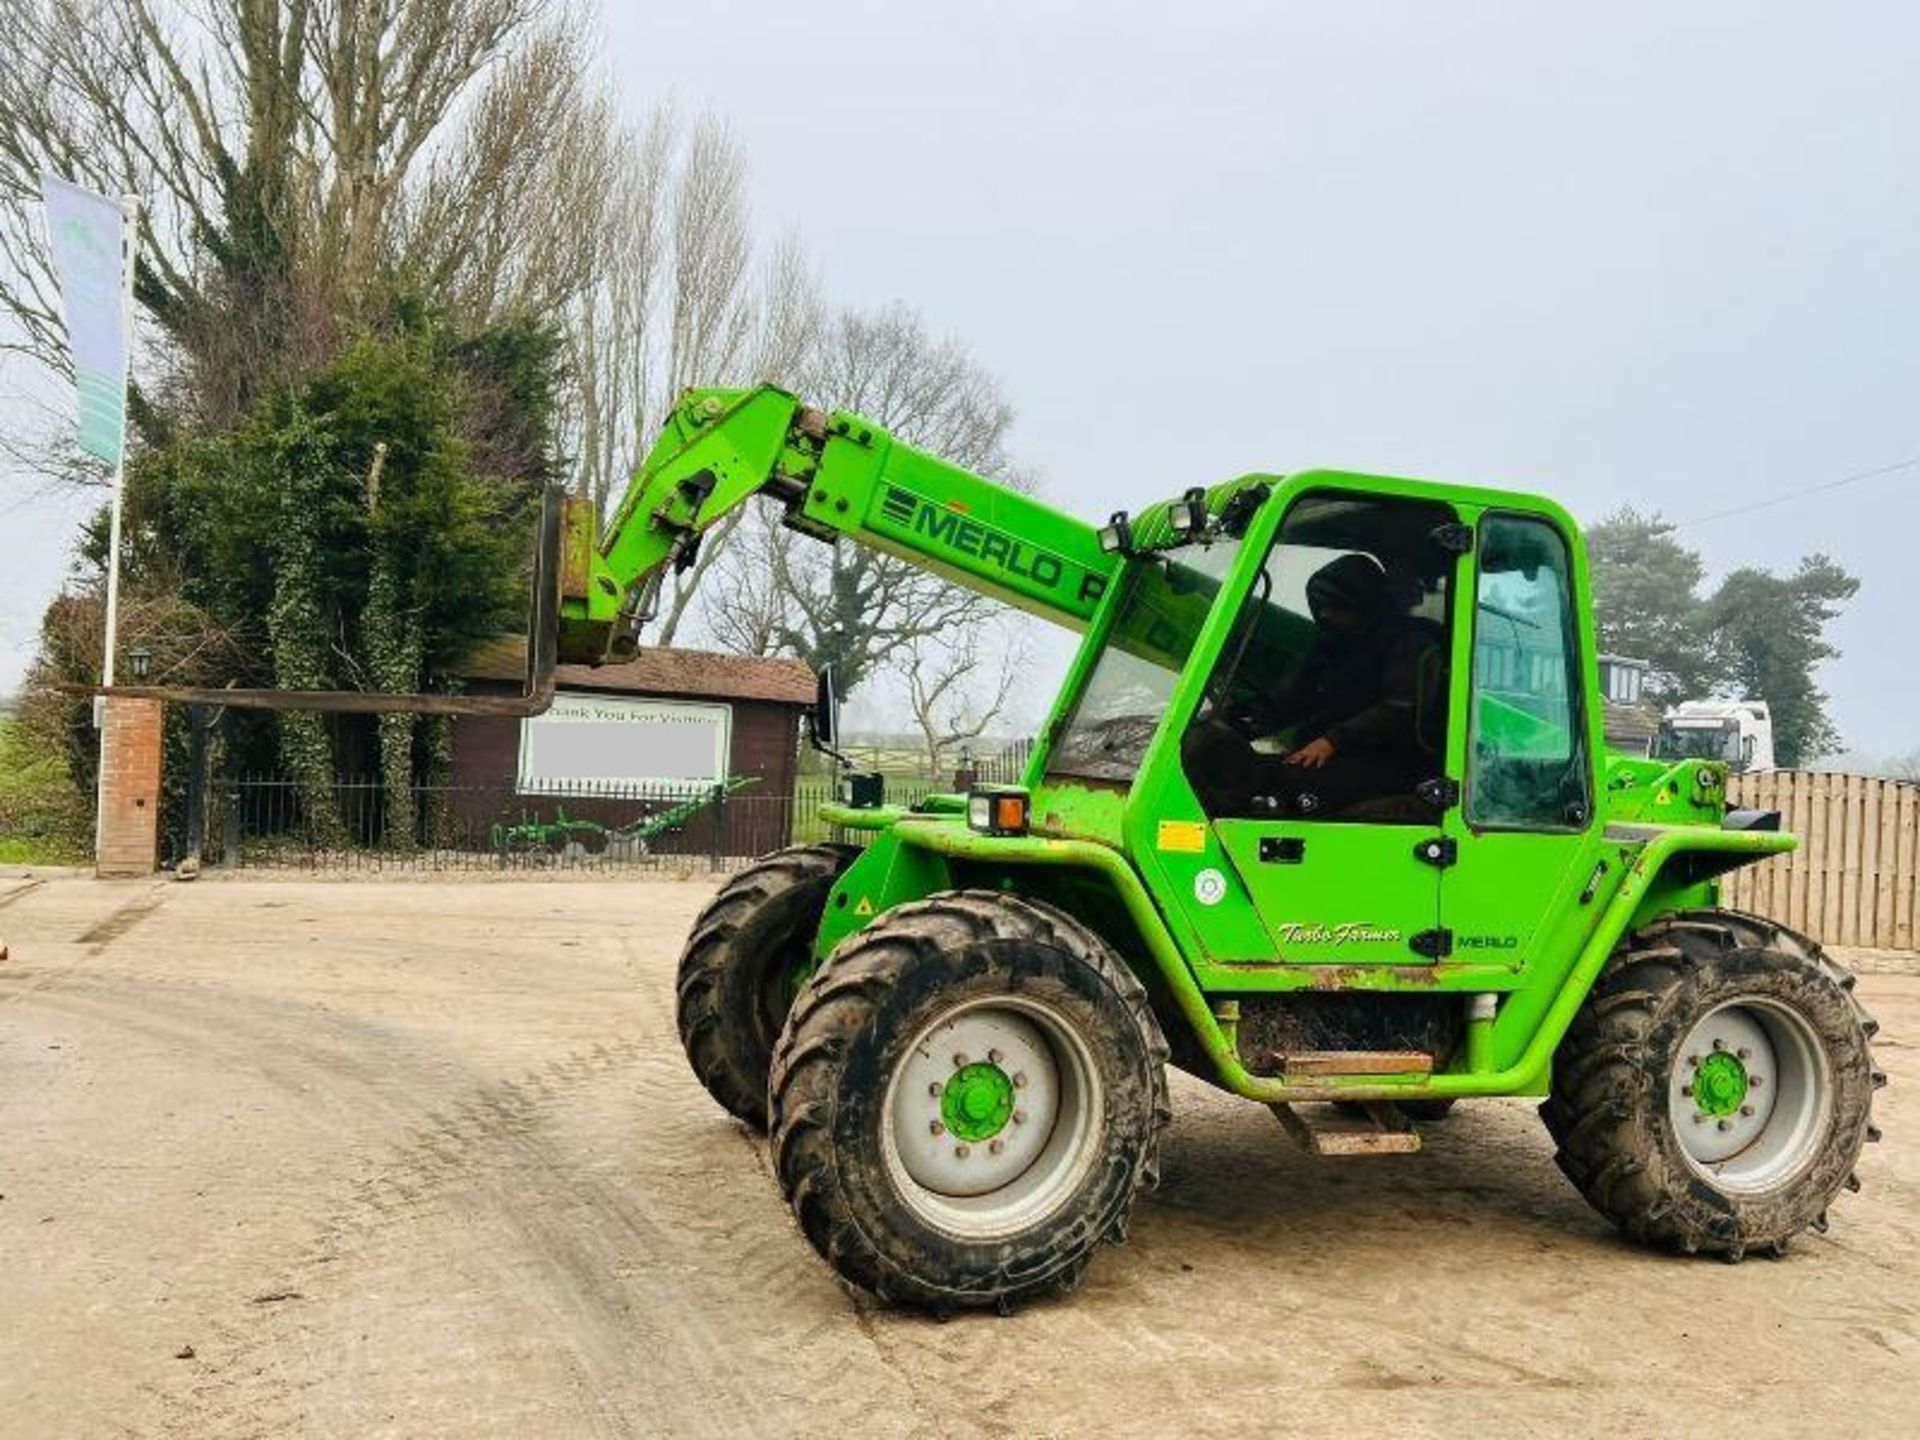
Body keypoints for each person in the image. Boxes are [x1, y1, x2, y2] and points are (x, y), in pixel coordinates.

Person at [1184, 552, 1441, 818]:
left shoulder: (1409, 642)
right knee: (1225, 772)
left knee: (1274, 787)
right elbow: (1287, 700)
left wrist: (1333, 741)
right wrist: (1225, 724)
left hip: (1390, 765)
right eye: (1320, 607)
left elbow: (1400, 709)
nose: (1326, 615)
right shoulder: (1335, 645)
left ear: (1367, 604)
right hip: (1331, 755)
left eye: (1338, 607)